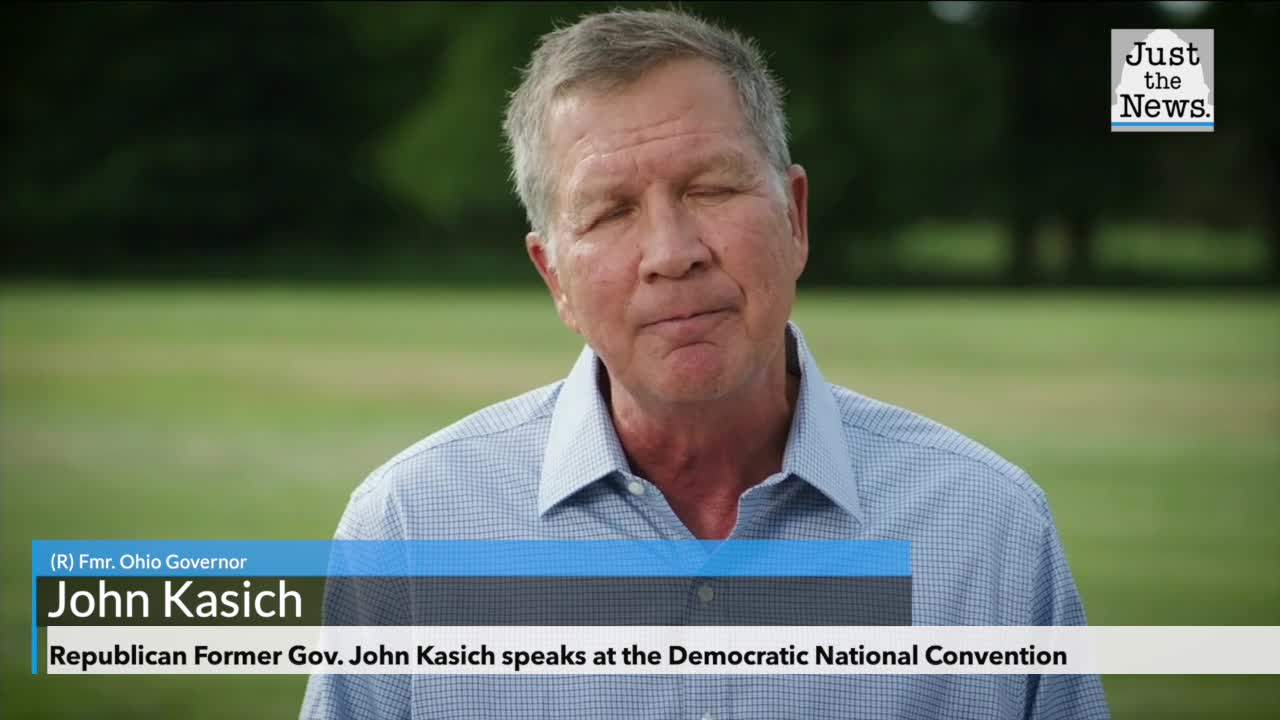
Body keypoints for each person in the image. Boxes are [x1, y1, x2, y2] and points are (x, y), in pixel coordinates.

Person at [302, 8, 1109, 719]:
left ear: (794, 218)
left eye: (712, 190)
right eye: (612, 211)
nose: (672, 253)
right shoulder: (406, 533)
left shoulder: (990, 530)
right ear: (555, 276)